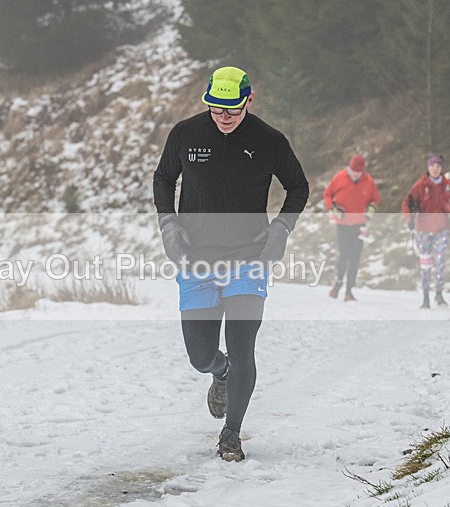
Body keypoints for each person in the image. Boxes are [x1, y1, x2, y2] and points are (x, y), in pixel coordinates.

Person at [153, 66, 309, 461]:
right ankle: (218, 372)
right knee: (199, 355)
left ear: (248, 100)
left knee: (244, 350)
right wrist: (168, 223)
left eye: (233, 110)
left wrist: (281, 230)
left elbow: (298, 186)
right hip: (196, 260)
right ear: (207, 101)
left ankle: (231, 433)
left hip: (249, 259)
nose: (224, 117)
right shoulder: (185, 134)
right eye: (216, 109)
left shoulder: (268, 140)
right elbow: (163, 178)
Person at [401, 154, 450, 309]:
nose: (435, 168)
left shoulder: (449, 186)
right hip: (423, 229)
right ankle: (425, 297)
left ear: (442, 168)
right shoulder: (420, 186)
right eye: (432, 165)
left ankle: (439, 294)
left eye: (438, 166)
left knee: (440, 261)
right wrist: (409, 219)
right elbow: (407, 202)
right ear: (428, 167)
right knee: (426, 265)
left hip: (442, 228)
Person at [323, 155, 380, 301]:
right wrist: (334, 208)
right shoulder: (339, 177)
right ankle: (338, 284)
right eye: (353, 170)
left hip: (359, 224)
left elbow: (375, 199)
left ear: (362, 171)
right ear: (349, 167)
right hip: (342, 224)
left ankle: (349, 291)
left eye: (358, 171)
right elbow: (327, 195)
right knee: (344, 255)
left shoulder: (368, 181)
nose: (355, 174)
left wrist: (371, 211)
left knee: (355, 258)